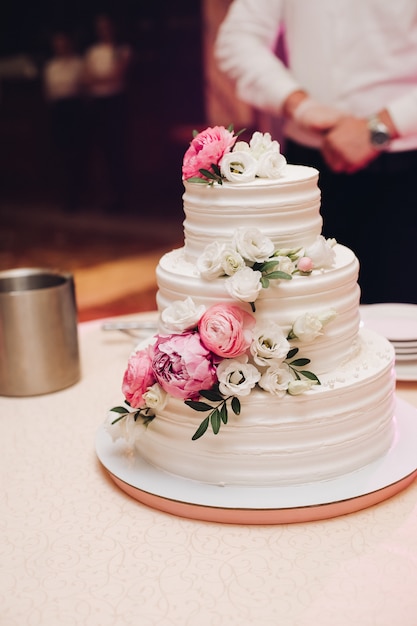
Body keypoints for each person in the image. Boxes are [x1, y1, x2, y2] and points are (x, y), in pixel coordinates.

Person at [215, 0, 417, 304]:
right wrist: (299, 103)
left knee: (402, 318)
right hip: (306, 168)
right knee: (306, 312)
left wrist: (384, 125)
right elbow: (237, 40)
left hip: (405, 169)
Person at [83, 13, 132, 213]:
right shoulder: (93, 51)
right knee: (100, 150)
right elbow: (86, 78)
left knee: (117, 150)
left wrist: (100, 76)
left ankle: (121, 198)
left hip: (116, 103)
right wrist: (101, 77)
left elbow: (116, 74)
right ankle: (105, 196)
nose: (104, 30)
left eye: (107, 26)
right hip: (98, 104)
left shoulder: (122, 49)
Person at [43, 30, 85, 212]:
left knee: (76, 154)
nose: (60, 47)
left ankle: (77, 196)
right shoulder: (51, 66)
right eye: (57, 43)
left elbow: (83, 87)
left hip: (75, 111)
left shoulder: (78, 64)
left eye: (63, 43)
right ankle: (64, 196)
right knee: (61, 153)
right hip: (58, 111)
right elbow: (49, 91)